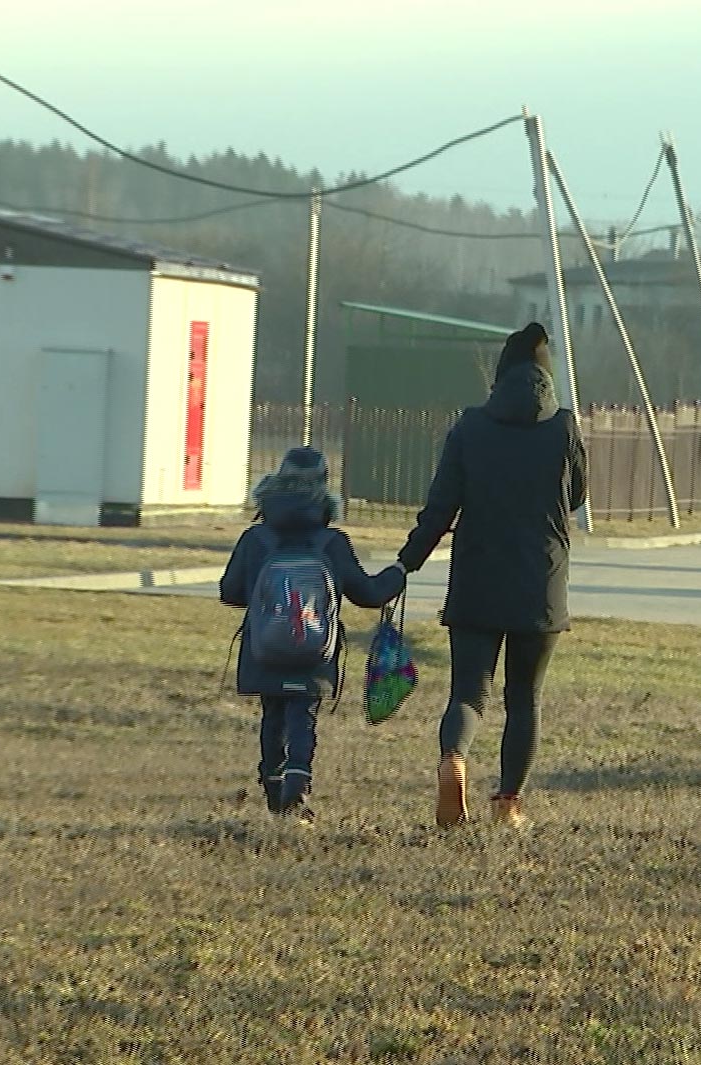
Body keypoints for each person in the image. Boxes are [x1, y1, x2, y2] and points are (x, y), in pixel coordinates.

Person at [397, 322, 588, 830]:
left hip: (477, 580)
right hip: (540, 585)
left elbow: (440, 507)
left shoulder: (470, 427)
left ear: (498, 380)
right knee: (524, 698)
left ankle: (454, 760)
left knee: (468, 694)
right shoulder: (564, 428)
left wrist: (406, 562)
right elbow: (577, 497)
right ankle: (507, 805)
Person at [220, 446, 405, 823]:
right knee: (303, 715)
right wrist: (398, 574)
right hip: (315, 650)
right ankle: (297, 787)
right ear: (325, 486)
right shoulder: (332, 542)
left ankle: (273, 788)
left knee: (272, 713)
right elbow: (368, 594)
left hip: (264, 647)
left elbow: (230, 592)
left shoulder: (255, 539)